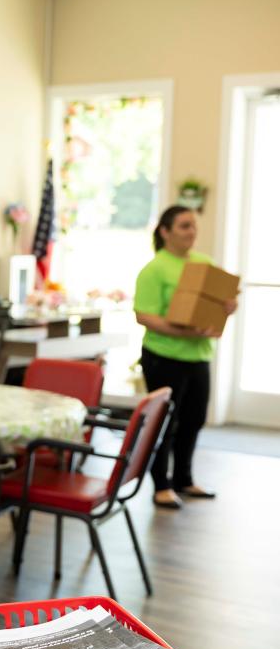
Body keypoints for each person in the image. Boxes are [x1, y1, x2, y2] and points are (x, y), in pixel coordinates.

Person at [133, 205, 238, 509]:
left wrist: (228, 307)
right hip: (164, 356)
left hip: (198, 355)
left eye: (193, 225)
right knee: (164, 422)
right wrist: (182, 332)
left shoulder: (205, 264)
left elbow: (218, 304)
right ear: (165, 232)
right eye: (183, 226)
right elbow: (144, 315)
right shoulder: (155, 270)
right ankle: (160, 485)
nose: (192, 231)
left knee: (194, 419)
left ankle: (184, 479)